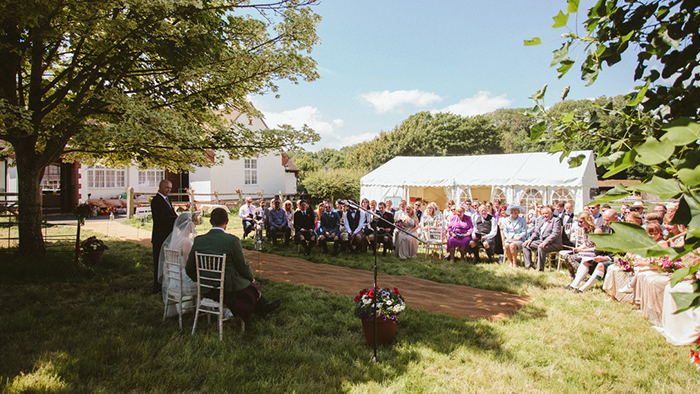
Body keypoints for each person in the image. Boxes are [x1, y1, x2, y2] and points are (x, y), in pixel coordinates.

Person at [185, 208, 281, 323]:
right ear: (227, 221)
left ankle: (264, 309)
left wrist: (201, 281)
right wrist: (251, 278)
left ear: (210, 222)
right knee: (250, 287)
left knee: (247, 285)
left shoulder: (199, 241)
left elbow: (189, 269)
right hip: (227, 289)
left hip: (205, 288)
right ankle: (263, 309)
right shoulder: (232, 241)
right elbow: (242, 266)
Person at [159, 212, 199, 316]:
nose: (195, 225)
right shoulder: (186, 242)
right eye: (193, 223)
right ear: (189, 224)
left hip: (173, 279)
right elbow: (187, 266)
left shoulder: (176, 241)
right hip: (183, 280)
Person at [151, 179, 178, 294]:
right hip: (160, 236)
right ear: (161, 187)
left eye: (170, 188)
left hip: (169, 235)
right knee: (158, 261)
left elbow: (172, 214)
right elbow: (162, 218)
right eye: (167, 188)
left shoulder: (168, 200)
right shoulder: (156, 201)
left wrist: (182, 219)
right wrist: (176, 220)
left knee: (167, 260)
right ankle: (157, 286)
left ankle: (166, 283)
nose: (169, 190)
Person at [522, 205, 563, 271]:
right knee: (525, 245)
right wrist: (529, 240)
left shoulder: (556, 220)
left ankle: (540, 268)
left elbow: (555, 233)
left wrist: (545, 242)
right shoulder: (541, 221)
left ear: (551, 213)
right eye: (543, 214)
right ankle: (529, 266)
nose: (545, 215)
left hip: (554, 243)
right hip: (541, 241)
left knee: (541, 247)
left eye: (546, 213)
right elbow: (536, 233)